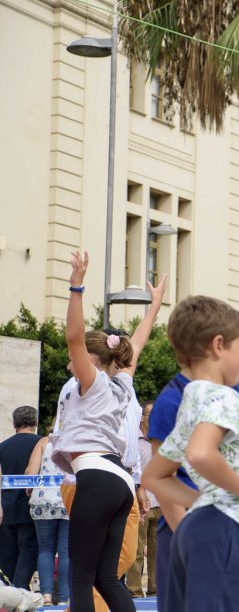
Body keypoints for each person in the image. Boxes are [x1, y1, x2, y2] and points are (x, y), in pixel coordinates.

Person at [141, 294, 239, 611]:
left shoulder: (190, 401)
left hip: (201, 527)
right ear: (218, 345)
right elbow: (201, 454)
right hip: (226, 531)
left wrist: (207, 501)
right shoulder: (223, 397)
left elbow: (153, 476)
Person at [51, 251, 163, 612]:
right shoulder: (121, 383)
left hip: (97, 477)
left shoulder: (93, 382)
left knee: (81, 579)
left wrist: (76, 287)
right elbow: (136, 345)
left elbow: (74, 337)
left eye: (78, 355)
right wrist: (154, 307)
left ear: (90, 359)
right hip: (120, 481)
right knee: (106, 578)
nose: (71, 358)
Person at [0, 406, 42, 590]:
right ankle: (21, 590)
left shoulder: (2, 447)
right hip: (32, 506)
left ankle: (8, 592)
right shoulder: (42, 444)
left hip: (6, 507)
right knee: (28, 551)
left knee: (7, 555)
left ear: (14, 423)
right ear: (36, 422)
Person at [25, 432, 69, 606]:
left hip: (43, 500)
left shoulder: (43, 442)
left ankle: (46, 596)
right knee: (66, 551)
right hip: (68, 499)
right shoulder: (77, 441)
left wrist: (29, 487)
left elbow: (30, 473)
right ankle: (64, 597)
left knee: (45, 549)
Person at [127, 403, 158, 598]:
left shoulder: (162, 440)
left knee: (159, 551)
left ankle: (156, 590)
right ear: (142, 418)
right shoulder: (133, 441)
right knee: (136, 550)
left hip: (161, 502)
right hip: (139, 502)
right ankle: (134, 590)